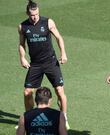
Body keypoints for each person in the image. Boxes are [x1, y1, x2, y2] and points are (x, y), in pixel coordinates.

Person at [18, 0, 69, 129]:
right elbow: (21, 44)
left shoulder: (48, 22)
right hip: (35, 64)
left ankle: (64, 118)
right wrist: (22, 58)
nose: (35, 17)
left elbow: (59, 38)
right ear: (27, 13)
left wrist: (63, 53)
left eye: (37, 14)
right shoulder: (22, 26)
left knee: (59, 90)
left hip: (51, 62)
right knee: (27, 92)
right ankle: (29, 118)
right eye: (32, 15)